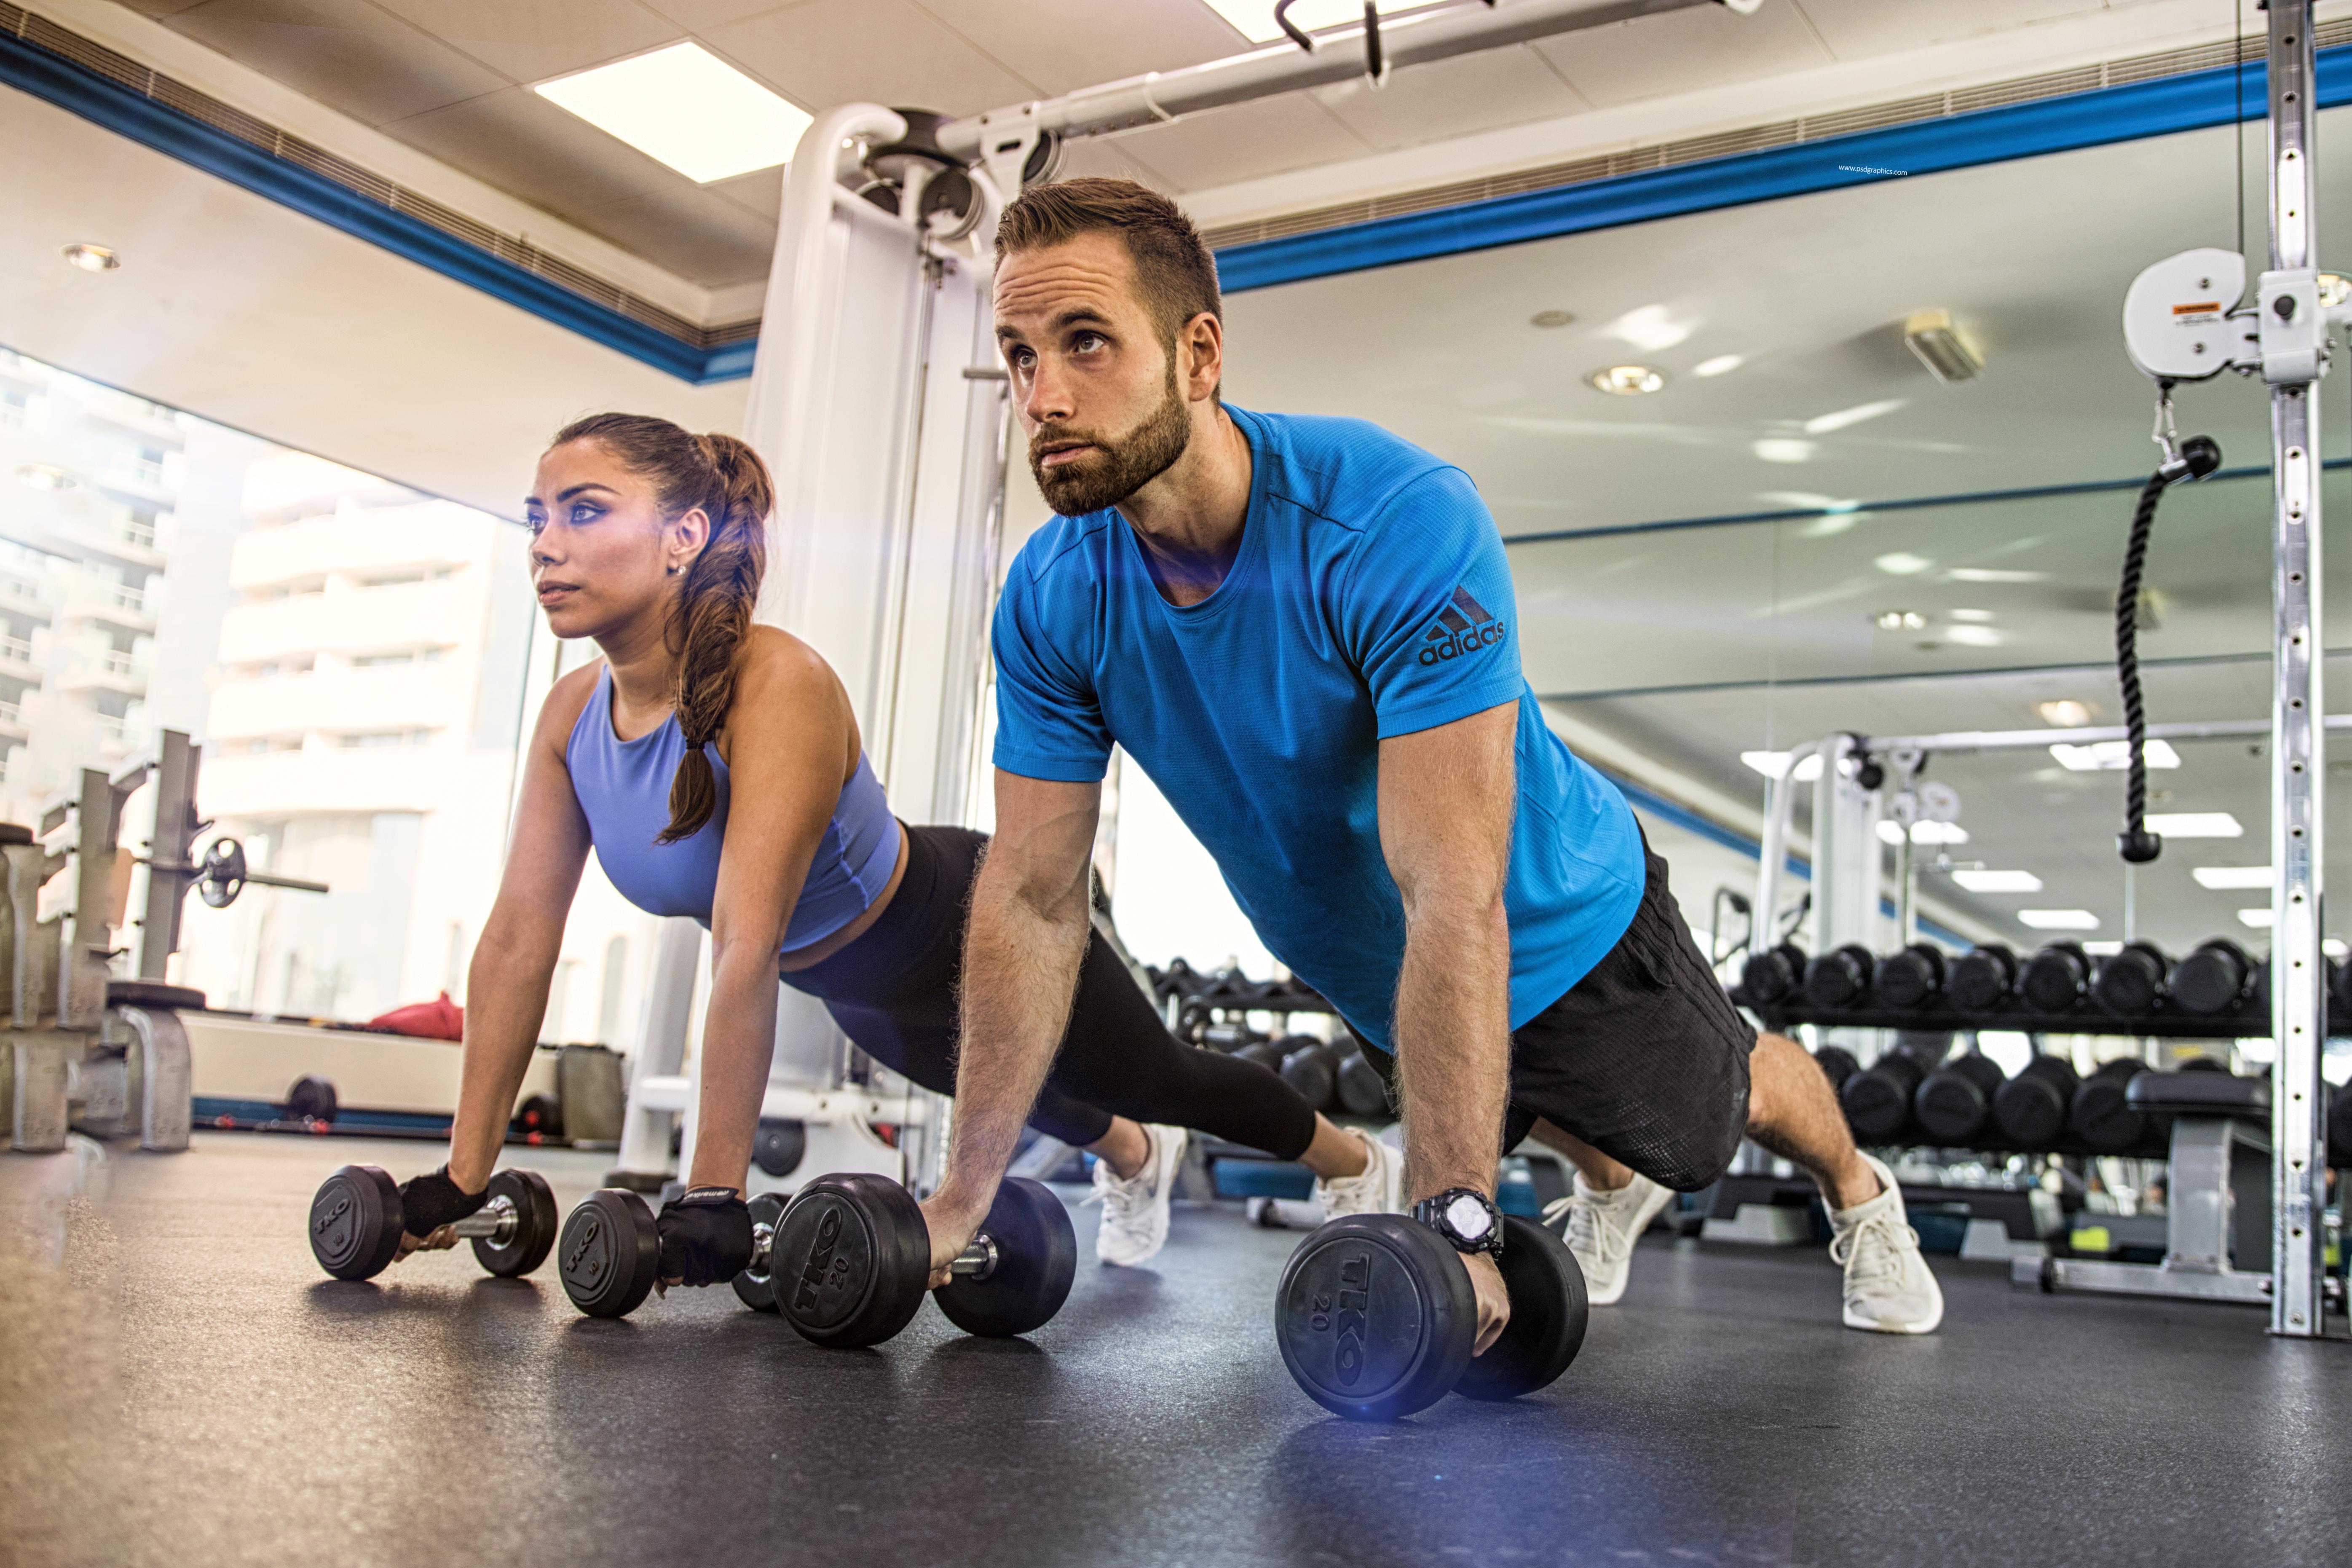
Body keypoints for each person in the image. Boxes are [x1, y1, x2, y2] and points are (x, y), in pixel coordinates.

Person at [913, 177, 1943, 1341]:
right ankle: (1608, 1183)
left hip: (1558, 915)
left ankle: (1861, 1197)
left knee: (1718, 1110)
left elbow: (1454, 885)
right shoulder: (1053, 594)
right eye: (1016, 354)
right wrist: (964, 1194)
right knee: (1522, 1101)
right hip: (1370, 956)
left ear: (1197, 354)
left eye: (1084, 343)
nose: (1040, 395)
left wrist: (1453, 1221)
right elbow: (1034, 896)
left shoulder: (1390, 520)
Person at [388, 412, 1393, 1290]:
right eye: (536, 519)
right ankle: (1135, 1157)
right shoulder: (572, 716)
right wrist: (461, 1179)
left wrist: (714, 1192)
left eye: (585, 512)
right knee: (1034, 1097)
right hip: (854, 987)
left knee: (1159, 1071)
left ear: (685, 537)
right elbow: (518, 941)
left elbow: (744, 943)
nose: (546, 546)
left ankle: (1352, 1162)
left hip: (958, 921)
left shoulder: (778, 683)